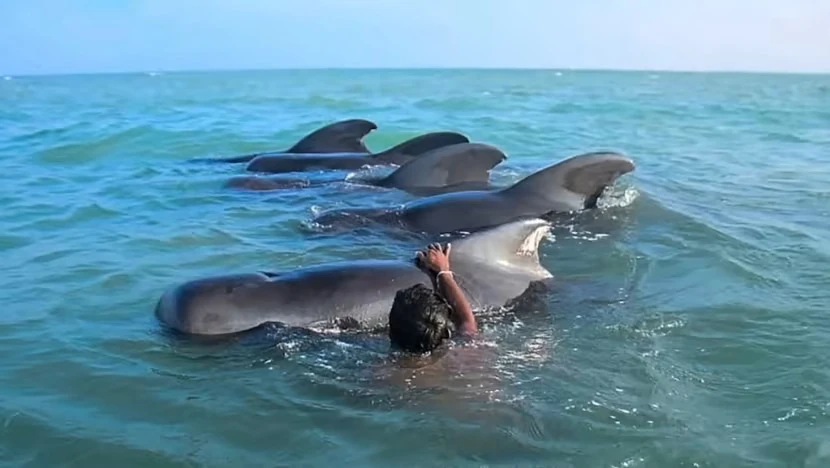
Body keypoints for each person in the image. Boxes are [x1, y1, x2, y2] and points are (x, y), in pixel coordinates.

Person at [388, 242, 477, 352]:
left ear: (390, 334)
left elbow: (466, 321)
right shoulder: (464, 355)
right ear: (445, 332)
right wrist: (444, 272)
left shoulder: (381, 369)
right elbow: (467, 321)